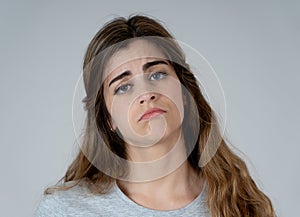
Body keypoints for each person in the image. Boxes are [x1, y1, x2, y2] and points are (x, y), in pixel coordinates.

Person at [35, 15, 276, 217]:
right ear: (108, 119)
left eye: (157, 74)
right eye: (123, 87)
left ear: (184, 92)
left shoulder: (242, 205)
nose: (146, 94)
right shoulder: (66, 210)